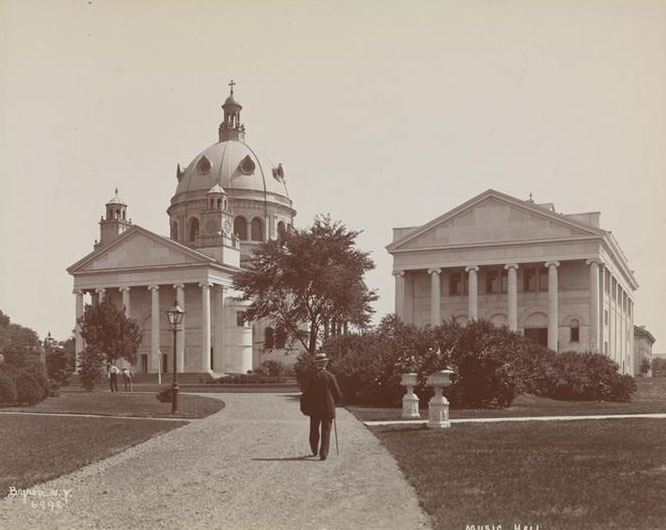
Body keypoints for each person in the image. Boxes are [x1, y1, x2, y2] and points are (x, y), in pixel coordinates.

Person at [300, 353, 342, 461]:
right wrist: (336, 403)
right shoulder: (331, 376)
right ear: (325, 363)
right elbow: (337, 393)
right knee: (326, 431)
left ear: (316, 364)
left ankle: (314, 449)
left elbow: (306, 394)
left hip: (314, 408)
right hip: (328, 408)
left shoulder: (311, 377)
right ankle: (323, 453)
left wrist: (304, 406)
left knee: (314, 429)